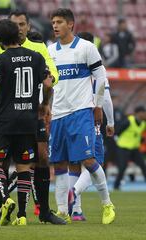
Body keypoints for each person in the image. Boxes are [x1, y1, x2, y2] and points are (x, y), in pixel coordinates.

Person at [0, 10, 64, 225]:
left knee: (40, 158)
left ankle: (42, 210)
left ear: (28, 26)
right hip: (26, 113)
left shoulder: (37, 46)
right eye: (14, 24)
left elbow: (53, 76)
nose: (18, 28)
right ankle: (9, 211)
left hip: (20, 115)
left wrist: (44, 105)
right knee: (19, 163)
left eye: (21, 24)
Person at [47, 8, 115, 224]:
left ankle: (107, 204)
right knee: (59, 163)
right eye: (53, 22)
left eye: (59, 22)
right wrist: (44, 107)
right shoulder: (50, 51)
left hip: (81, 112)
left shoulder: (86, 48)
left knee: (88, 158)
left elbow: (101, 78)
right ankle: (62, 210)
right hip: (58, 114)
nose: (55, 26)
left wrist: (97, 106)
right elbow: (46, 83)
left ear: (71, 24)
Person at [68, 32, 115, 221]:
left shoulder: (72, 68)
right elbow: (107, 99)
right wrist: (110, 122)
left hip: (69, 118)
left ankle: (76, 211)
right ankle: (74, 191)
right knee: (93, 163)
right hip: (90, 120)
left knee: (74, 165)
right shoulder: (97, 71)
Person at [113, 106, 146, 190]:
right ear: (138, 113)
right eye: (143, 113)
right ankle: (116, 186)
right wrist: (116, 139)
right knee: (122, 167)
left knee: (143, 166)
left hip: (134, 149)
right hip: (123, 148)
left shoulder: (143, 123)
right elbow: (117, 131)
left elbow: (137, 134)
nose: (145, 114)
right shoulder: (128, 121)